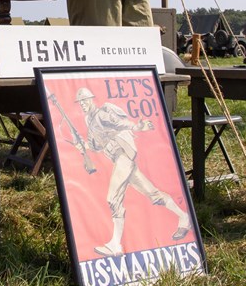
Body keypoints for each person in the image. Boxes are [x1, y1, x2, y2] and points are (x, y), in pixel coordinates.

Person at [74, 87, 191, 257]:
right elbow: (97, 145)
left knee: (113, 199)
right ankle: (184, 217)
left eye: (85, 100)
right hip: (118, 159)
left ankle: (115, 245)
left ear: (91, 99)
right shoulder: (88, 121)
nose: (83, 104)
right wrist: (82, 145)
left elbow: (121, 123)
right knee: (154, 195)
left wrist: (137, 126)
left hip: (123, 156)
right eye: (80, 102)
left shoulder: (103, 112)